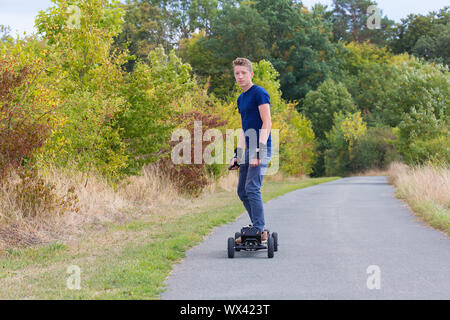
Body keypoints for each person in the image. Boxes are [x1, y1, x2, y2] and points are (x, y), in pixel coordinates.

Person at [230, 57, 272, 243]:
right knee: (242, 191)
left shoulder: (259, 93)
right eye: (237, 74)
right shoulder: (241, 98)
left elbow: (267, 122)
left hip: (261, 146)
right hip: (249, 148)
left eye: (243, 73)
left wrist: (258, 152)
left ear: (251, 74)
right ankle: (259, 228)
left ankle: (259, 229)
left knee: (252, 187)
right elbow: (243, 128)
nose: (240, 77)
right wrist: (237, 155)